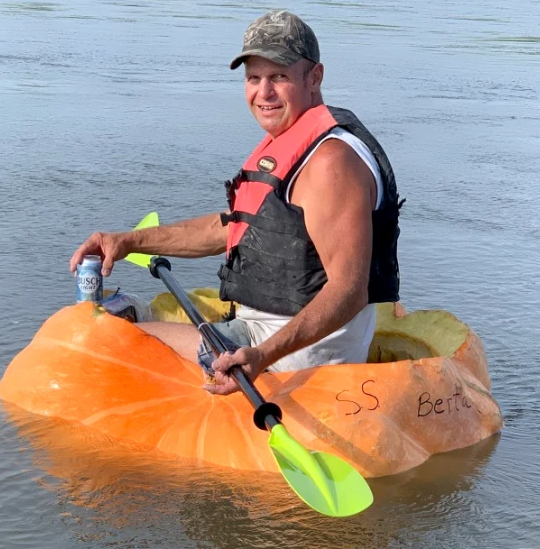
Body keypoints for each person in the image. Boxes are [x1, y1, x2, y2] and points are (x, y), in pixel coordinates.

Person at [70, 10, 402, 396]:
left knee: (100, 334)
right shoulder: (294, 138)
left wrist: (262, 354)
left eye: (279, 76)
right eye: (253, 78)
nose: (264, 93)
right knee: (123, 308)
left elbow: (349, 291)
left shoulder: (330, 162)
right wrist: (128, 241)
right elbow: (236, 227)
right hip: (263, 335)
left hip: (295, 359)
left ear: (315, 77)